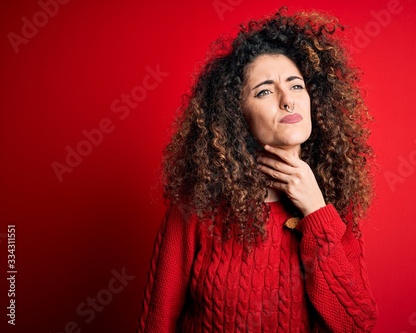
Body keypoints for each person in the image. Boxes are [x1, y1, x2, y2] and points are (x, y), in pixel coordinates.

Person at [137, 7, 377, 333]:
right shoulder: (196, 206)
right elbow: (157, 322)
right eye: (265, 91)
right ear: (238, 114)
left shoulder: (333, 207)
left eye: (296, 86)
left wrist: (316, 212)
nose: (287, 101)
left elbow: (354, 326)